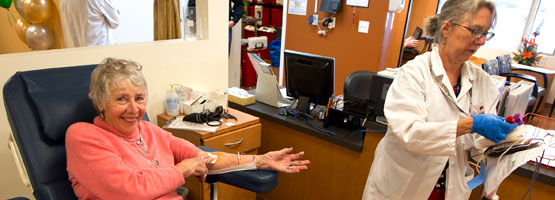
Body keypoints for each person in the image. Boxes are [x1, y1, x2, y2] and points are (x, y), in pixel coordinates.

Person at [65, 58, 310, 199]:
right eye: (121, 99)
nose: (133, 108)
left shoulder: (150, 131)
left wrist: (259, 161)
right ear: (99, 103)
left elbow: (201, 157)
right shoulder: (82, 136)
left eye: (139, 98)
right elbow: (130, 190)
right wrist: (183, 169)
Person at [362, 0, 517, 199]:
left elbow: (479, 145)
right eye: (476, 31)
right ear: (446, 28)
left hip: (450, 188)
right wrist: (471, 124)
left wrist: (507, 139)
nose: (481, 41)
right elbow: (410, 133)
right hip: (404, 187)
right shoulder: (414, 73)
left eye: (486, 33)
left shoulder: (482, 81)